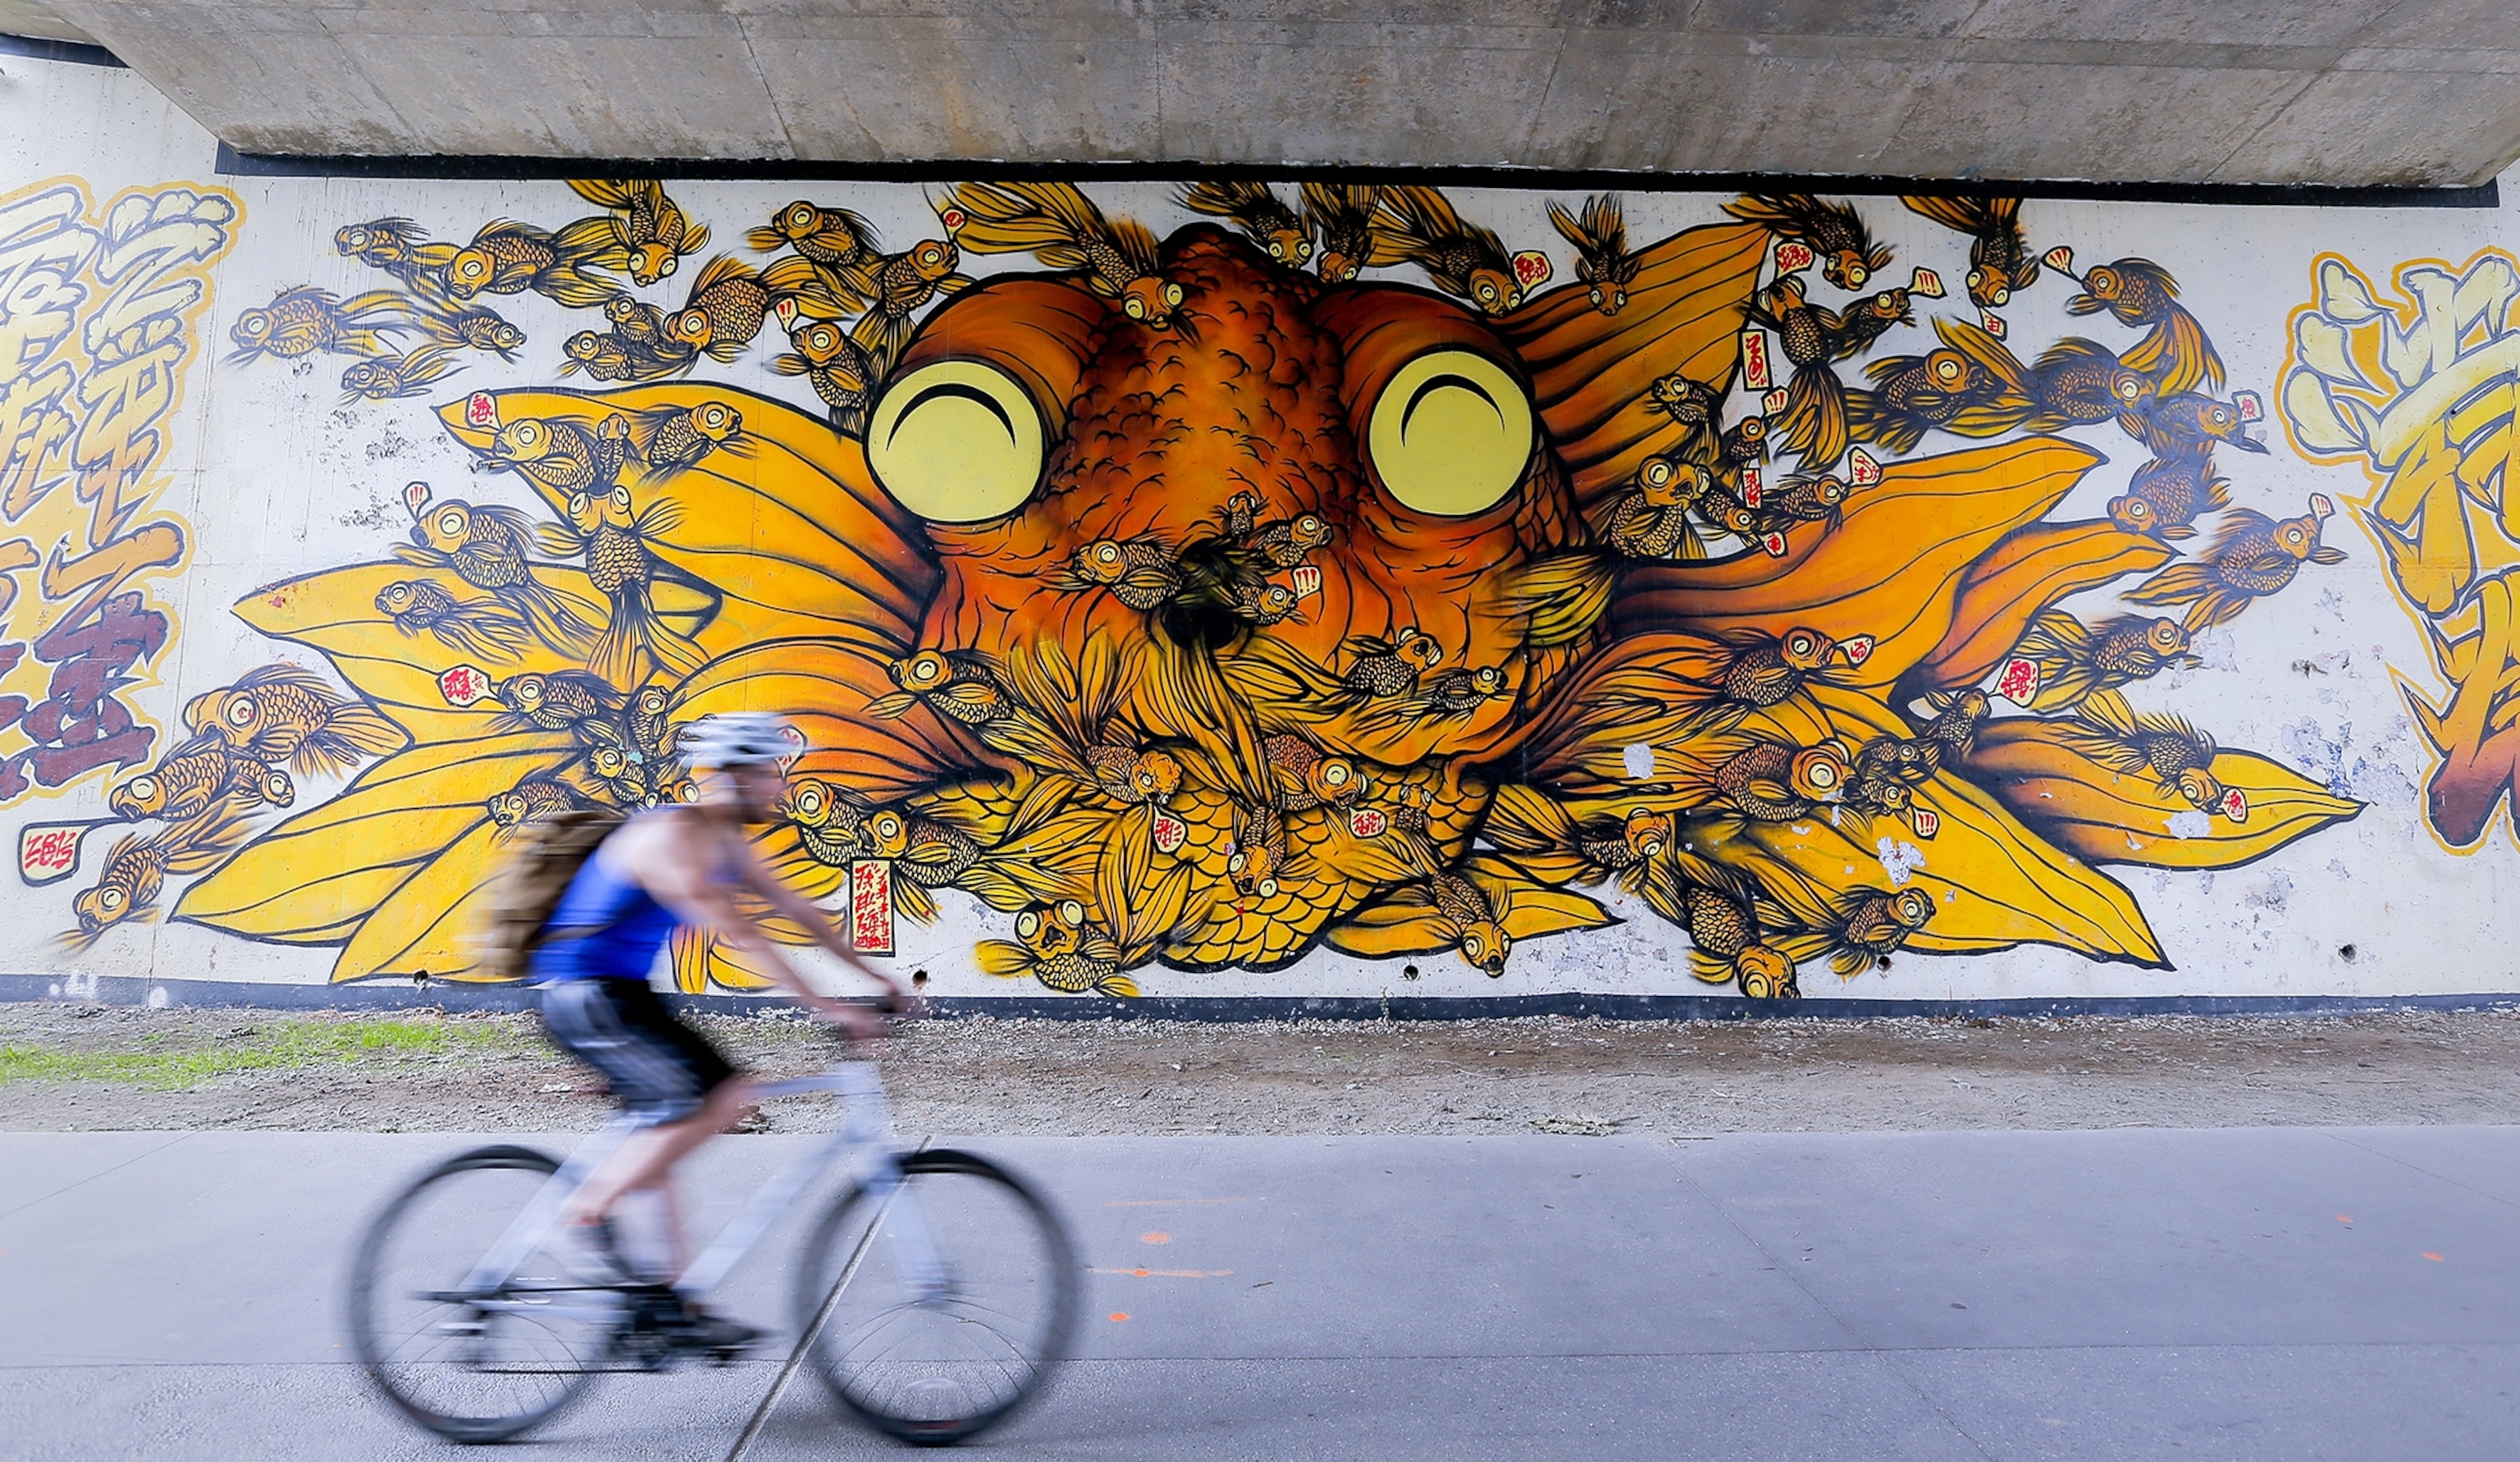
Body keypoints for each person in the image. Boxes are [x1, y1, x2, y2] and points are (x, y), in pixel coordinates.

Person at [534, 710, 906, 1352]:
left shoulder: (726, 842)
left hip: (622, 997)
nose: (781, 787)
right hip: (586, 995)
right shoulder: (675, 838)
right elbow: (741, 932)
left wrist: (881, 982)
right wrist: (827, 1006)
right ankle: (586, 1212)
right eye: (771, 773)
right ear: (734, 777)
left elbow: (802, 916)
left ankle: (672, 1302)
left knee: (678, 1119)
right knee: (720, 1098)